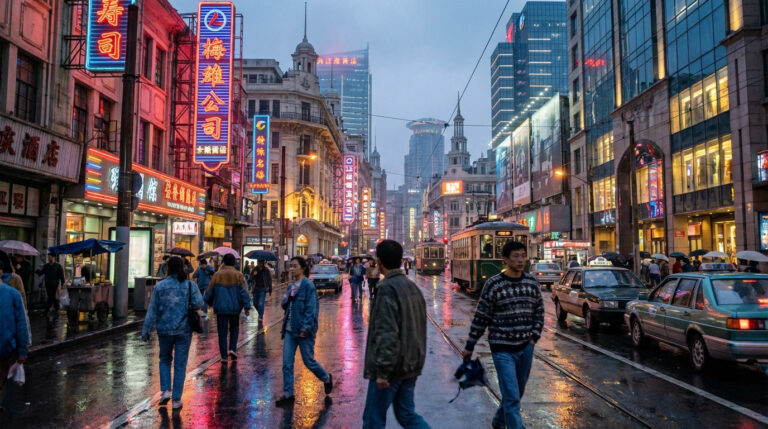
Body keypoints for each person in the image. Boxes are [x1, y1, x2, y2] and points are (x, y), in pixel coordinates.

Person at [462, 241, 544, 429]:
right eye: (515, 256)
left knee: (516, 393)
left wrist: (534, 336)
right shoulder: (494, 284)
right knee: (512, 397)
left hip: (526, 347)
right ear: (505, 259)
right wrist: (470, 345)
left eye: (523, 255)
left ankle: (499, 421)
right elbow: (482, 316)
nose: (521, 260)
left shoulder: (531, 283)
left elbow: (539, 311)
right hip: (502, 349)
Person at [362, 240, 429, 429]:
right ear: (401, 260)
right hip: (411, 364)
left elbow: (386, 332)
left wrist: (383, 371)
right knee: (406, 414)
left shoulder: (387, 289)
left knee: (373, 420)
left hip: (391, 368)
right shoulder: (412, 287)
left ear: (379, 260)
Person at [141, 256, 205, 410]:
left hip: (164, 330)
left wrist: (146, 329)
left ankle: (165, 391)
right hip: (184, 330)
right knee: (180, 364)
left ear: (168, 268)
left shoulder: (160, 286)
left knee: (164, 359)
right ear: (183, 268)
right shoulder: (190, 285)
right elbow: (199, 303)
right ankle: (176, 400)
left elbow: (152, 310)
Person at [276, 256, 333, 407]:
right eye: (290, 266)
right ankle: (288, 393)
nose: (292, 269)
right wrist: (287, 297)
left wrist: (306, 328)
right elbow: (284, 306)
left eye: (295, 266)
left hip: (303, 331)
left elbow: (311, 309)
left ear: (302, 268)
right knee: (287, 363)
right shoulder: (291, 286)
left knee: (308, 361)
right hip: (289, 330)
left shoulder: (308, 286)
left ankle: (326, 378)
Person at [205, 254, 251, 362]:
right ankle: (232, 348)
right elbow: (244, 292)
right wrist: (247, 307)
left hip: (221, 308)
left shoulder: (217, 275)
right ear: (234, 263)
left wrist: (207, 301)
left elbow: (209, 291)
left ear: (223, 262)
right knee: (234, 329)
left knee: (222, 332)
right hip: (235, 308)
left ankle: (224, 356)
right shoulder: (239, 275)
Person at [0, 259, 29, 403]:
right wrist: (22, 350)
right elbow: (21, 324)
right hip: (5, 349)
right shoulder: (13, 294)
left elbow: (21, 324)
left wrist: (22, 349)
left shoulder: (13, 294)